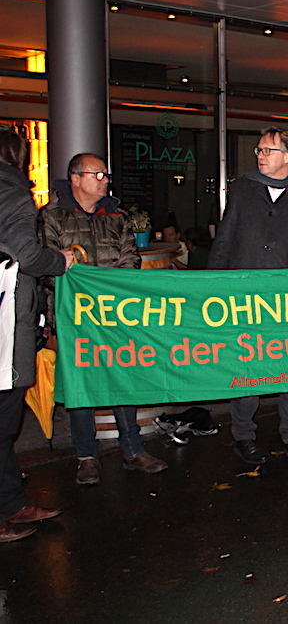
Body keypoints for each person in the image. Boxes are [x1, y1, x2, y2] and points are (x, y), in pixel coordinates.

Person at [42, 152, 169, 482]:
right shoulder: (52, 217)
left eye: (105, 175)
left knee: (122, 379)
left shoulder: (116, 216)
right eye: (97, 175)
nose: (105, 180)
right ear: (76, 178)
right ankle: (86, 455)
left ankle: (133, 449)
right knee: (81, 384)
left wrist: (117, 297)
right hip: (75, 318)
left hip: (115, 317)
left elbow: (130, 260)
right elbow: (45, 267)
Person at [207, 126, 288, 464]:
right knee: (248, 369)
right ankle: (243, 436)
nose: (260, 156)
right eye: (259, 150)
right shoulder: (244, 190)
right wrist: (212, 284)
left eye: (267, 150)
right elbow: (226, 238)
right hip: (245, 298)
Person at [0, 125, 72, 541]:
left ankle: (11, 502)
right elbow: (27, 255)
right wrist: (60, 260)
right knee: (5, 417)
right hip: (6, 321)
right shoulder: (13, 193)